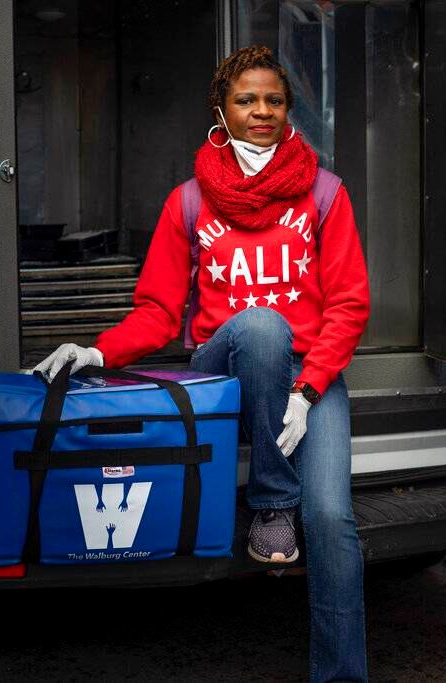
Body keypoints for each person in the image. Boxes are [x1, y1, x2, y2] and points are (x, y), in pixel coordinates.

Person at [35, 46, 370, 682]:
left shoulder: (325, 194)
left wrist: (308, 389)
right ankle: (273, 504)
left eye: (274, 100)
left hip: (310, 377)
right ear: (221, 109)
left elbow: (349, 304)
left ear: (288, 110)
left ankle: (342, 676)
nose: (261, 111)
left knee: (331, 518)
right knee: (262, 325)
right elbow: (160, 313)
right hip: (226, 368)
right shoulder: (189, 201)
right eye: (246, 99)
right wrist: (98, 351)